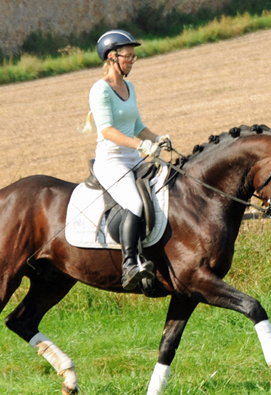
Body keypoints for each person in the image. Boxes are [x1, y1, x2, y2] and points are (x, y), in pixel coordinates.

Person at [84, 30, 170, 291]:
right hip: (111, 162)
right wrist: (140, 144)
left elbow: (138, 126)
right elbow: (107, 130)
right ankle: (130, 264)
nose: (133, 60)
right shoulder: (100, 90)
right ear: (112, 57)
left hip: (133, 158)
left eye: (134, 56)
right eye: (129, 56)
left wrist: (157, 138)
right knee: (134, 202)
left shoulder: (129, 87)